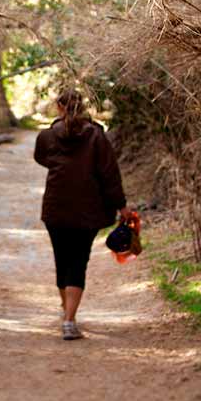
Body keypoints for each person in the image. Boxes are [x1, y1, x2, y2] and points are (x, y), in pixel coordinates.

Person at [33, 88, 132, 340]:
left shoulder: (47, 136)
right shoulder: (97, 136)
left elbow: (41, 158)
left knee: (62, 261)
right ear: (83, 106)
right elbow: (109, 174)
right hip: (88, 210)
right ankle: (68, 320)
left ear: (59, 107)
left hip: (55, 208)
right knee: (78, 262)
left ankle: (67, 312)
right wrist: (121, 206)